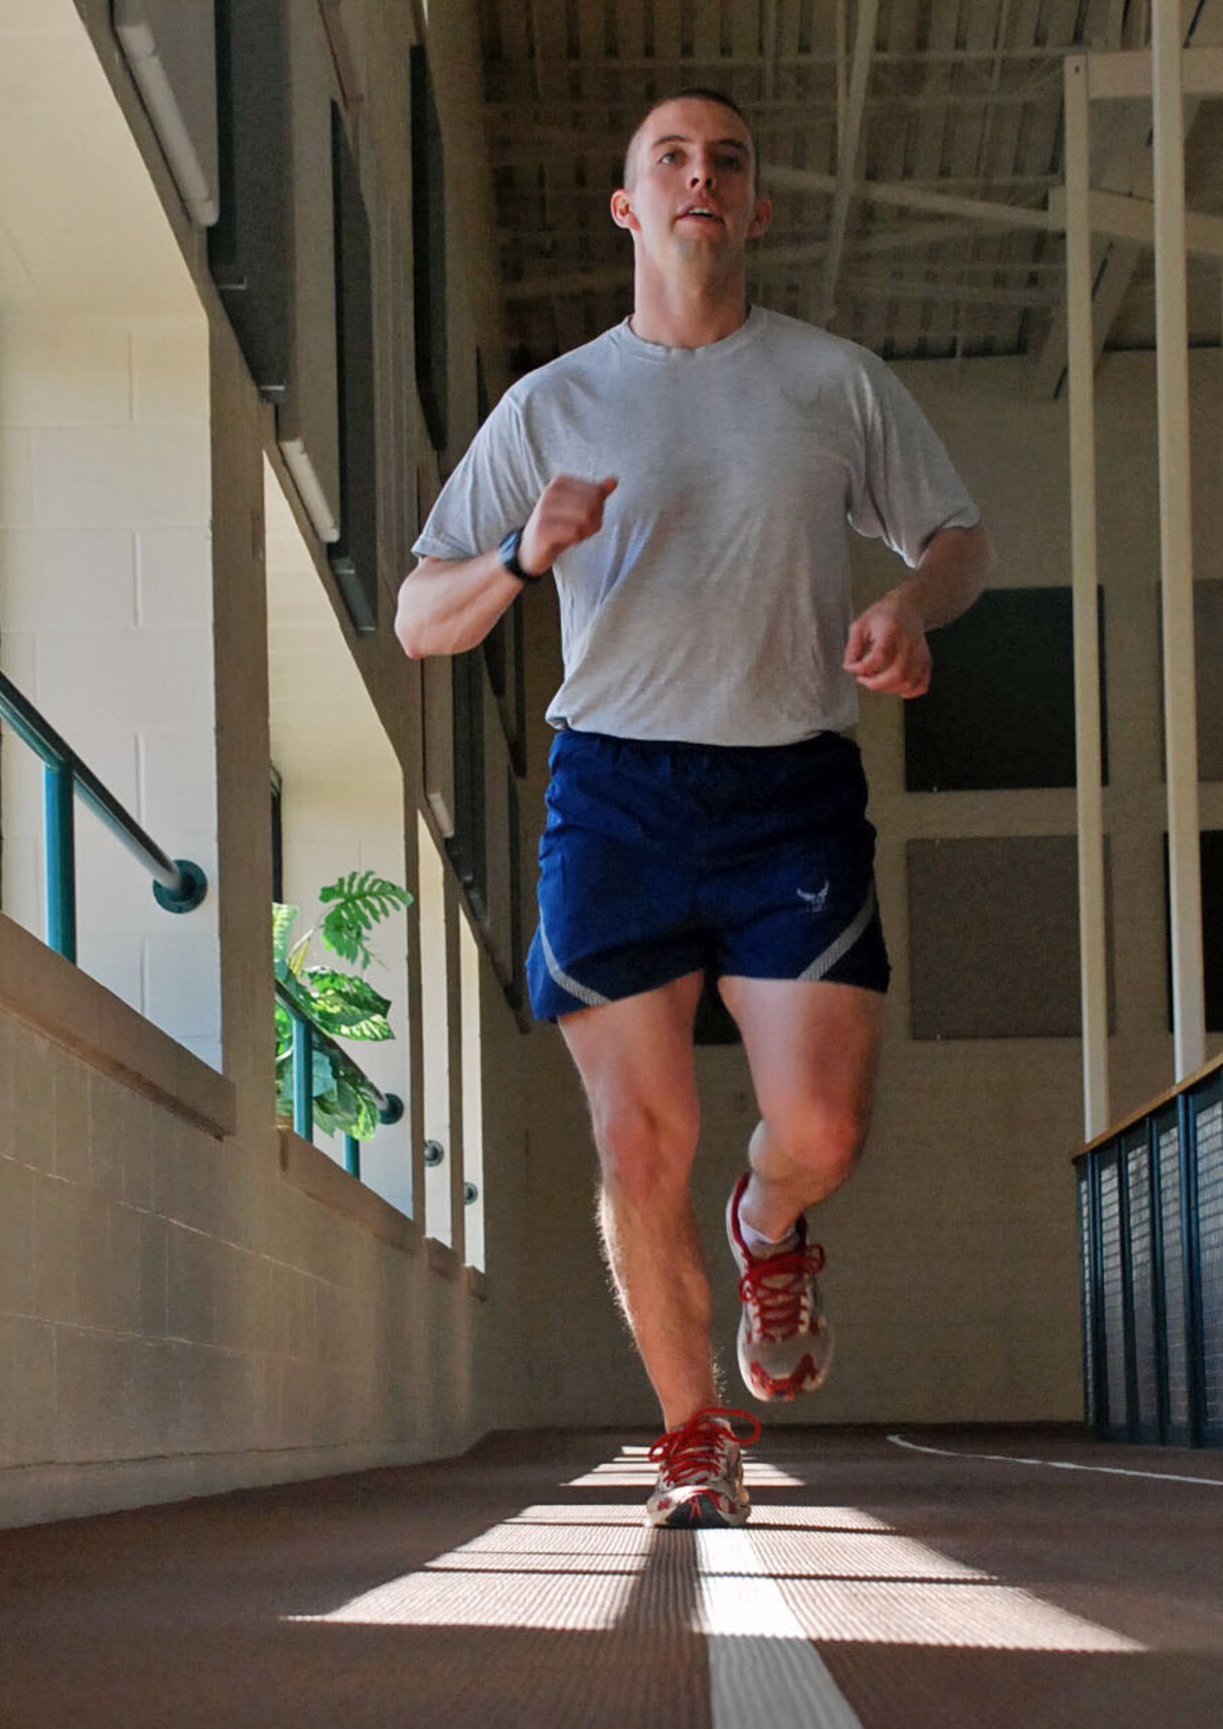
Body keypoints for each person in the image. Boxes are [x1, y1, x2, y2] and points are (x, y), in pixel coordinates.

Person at [394, 87, 994, 1528]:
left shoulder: (830, 381)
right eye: (666, 156)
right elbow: (421, 617)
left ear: (755, 208)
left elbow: (958, 539)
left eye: (725, 160)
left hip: (788, 790)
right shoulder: (549, 405)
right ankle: (689, 1435)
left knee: (821, 1128)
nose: (697, 176)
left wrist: (912, 603)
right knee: (636, 1140)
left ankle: (770, 1222)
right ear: (627, 207)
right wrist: (523, 560)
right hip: (613, 790)